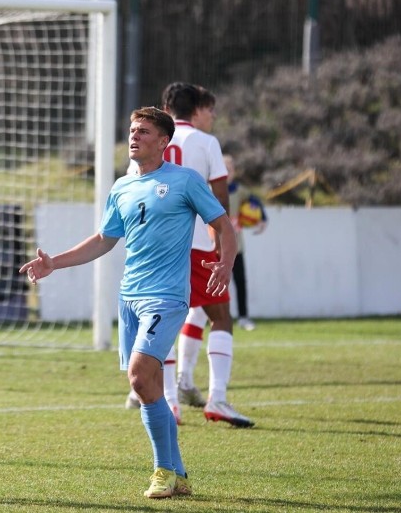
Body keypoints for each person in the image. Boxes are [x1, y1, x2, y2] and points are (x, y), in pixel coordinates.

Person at [20, 106, 237, 498]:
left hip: (167, 297)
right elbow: (104, 239)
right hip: (129, 297)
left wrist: (225, 262)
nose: (134, 136)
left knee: (139, 379)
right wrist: (56, 263)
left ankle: (162, 471)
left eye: (144, 131)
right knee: (148, 383)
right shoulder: (121, 186)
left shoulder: (184, 180)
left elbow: (223, 223)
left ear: (163, 141)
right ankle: (180, 474)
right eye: (132, 129)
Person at [161, 82, 254, 428]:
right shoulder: (206, 142)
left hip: (161, 247)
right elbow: (219, 196)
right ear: (196, 108)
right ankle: (217, 399)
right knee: (221, 315)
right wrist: (221, 242)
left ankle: (170, 402)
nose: (212, 115)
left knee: (164, 319)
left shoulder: (154, 138)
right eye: (209, 108)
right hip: (198, 244)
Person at [224, 153, 268, 331]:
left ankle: (243, 317)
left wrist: (263, 219)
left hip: (236, 247)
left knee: (240, 281)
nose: (226, 173)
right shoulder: (210, 190)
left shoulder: (239, 191)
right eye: (223, 169)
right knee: (215, 286)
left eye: (229, 169)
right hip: (214, 247)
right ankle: (214, 317)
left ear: (234, 172)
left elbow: (255, 202)